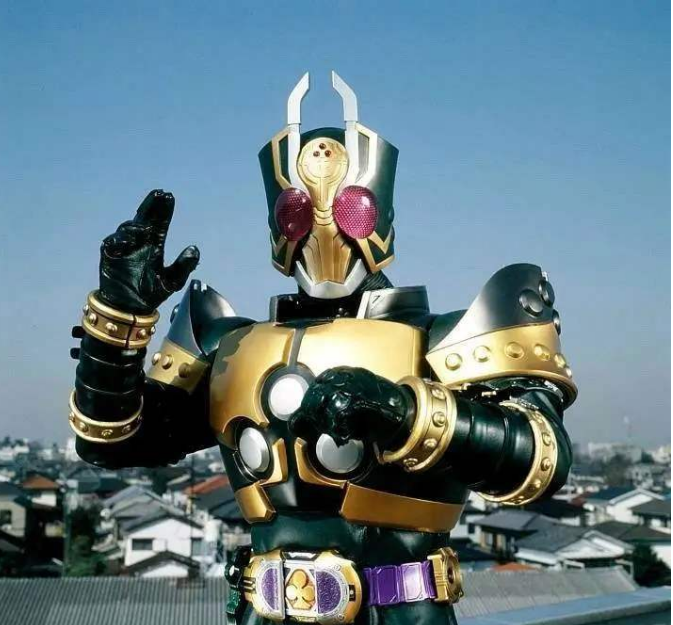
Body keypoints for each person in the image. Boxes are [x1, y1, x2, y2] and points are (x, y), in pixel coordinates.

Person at [69, 72, 576, 625]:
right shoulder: (232, 347)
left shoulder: (447, 340)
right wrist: (118, 323)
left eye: (352, 209)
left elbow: (540, 459)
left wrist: (405, 413)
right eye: (296, 212)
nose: (325, 227)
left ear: (379, 213)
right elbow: (113, 442)